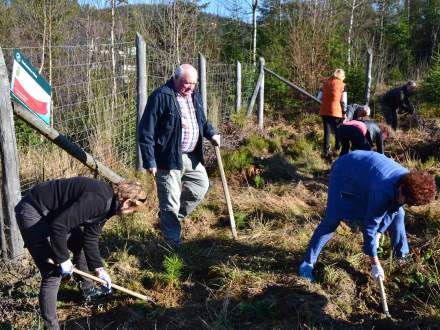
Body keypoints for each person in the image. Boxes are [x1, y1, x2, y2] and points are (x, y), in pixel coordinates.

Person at [15, 177, 148, 330]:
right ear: (127, 203)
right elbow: (59, 227)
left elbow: (90, 237)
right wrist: (63, 259)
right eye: (132, 211)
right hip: (33, 210)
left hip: (55, 214)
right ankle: (51, 327)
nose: (131, 214)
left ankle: (88, 291)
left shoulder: (110, 205)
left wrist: (99, 269)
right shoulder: (98, 200)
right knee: (52, 274)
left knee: (80, 245)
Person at [298, 151, 436, 282]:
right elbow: (369, 226)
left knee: (399, 214)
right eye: (407, 200)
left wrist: (379, 233)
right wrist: (375, 263)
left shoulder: (408, 183)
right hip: (345, 172)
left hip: (367, 172)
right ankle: (307, 263)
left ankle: (401, 256)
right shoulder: (383, 189)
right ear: (401, 188)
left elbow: (394, 209)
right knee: (333, 218)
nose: (407, 203)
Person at [138, 64, 220, 246]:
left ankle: (169, 220)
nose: (189, 87)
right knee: (170, 200)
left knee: (200, 186)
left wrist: (212, 133)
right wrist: (150, 160)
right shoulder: (161, 96)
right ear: (175, 78)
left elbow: (202, 122)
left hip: (192, 156)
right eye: (186, 83)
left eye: (193, 83)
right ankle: (171, 244)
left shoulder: (194, 96)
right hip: (168, 158)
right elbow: (146, 131)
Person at [317, 69, 347, 159]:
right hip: (336, 111)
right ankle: (337, 148)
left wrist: (326, 102)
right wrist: (344, 112)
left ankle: (325, 151)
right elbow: (344, 101)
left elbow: (319, 98)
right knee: (338, 131)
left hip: (324, 111)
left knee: (327, 132)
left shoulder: (325, 83)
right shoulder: (343, 85)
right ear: (342, 76)